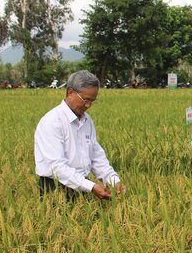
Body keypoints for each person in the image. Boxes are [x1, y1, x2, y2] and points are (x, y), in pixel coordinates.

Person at [34, 70, 126, 200]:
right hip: (55, 188)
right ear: (70, 92)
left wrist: (113, 180)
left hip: (83, 185)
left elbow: (96, 156)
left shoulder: (87, 120)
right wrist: (92, 187)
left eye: (92, 101)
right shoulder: (52, 122)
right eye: (85, 100)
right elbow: (57, 167)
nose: (88, 105)